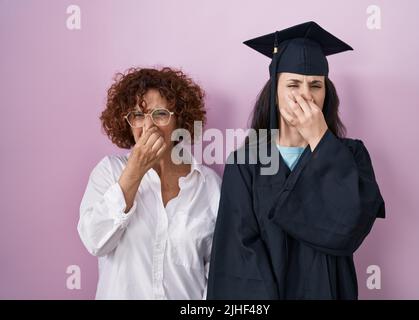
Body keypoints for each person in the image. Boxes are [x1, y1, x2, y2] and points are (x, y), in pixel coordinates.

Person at [207, 21, 385, 299]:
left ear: (326, 94)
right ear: (275, 92)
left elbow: (353, 224)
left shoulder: (351, 154)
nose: (305, 95)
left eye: (316, 85)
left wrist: (320, 140)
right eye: (293, 84)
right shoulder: (246, 162)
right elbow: (238, 254)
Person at [78, 67, 221, 299]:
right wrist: (134, 170)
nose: (148, 126)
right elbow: (95, 241)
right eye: (137, 115)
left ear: (179, 121)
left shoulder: (209, 185)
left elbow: (217, 272)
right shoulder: (108, 171)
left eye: (161, 114)